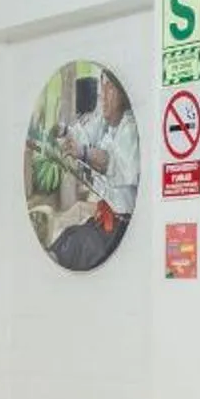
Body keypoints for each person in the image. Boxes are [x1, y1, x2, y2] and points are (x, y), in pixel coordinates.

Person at [47, 70, 139, 271]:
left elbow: (112, 163)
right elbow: (82, 135)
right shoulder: (104, 122)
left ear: (123, 94)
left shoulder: (130, 128)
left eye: (110, 89)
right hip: (104, 219)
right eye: (102, 88)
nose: (104, 96)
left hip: (122, 228)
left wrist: (83, 153)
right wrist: (63, 131)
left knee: (79, 243)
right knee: (68, 235)